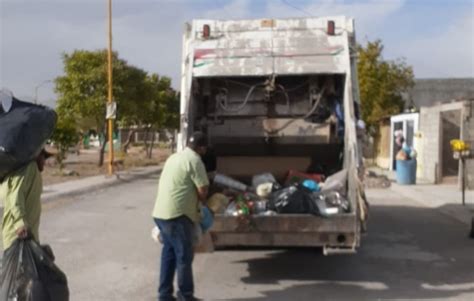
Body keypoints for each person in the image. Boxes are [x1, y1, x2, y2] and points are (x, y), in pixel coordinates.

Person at [152, 132, 210, 301]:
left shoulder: (174, 157)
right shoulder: (195, 160)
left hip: (161, 214)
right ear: (201, 148)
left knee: (169, 255)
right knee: (184, 256)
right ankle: (186, 296)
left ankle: (164, 295)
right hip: (177, 216)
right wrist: (204, 205)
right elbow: (203, 190)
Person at [1, 148, 53, 254]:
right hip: (17, 237)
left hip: (27, 238)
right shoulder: (29, 168)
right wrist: (19, 223)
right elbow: (15, 196)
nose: (44, 162)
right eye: (44, 157)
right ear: (37, 155)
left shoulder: (33, 172)